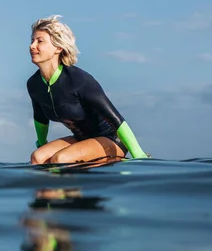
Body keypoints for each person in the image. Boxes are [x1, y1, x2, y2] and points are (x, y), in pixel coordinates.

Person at [26, 15, 149, 164]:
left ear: (58, 47)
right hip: (82, 139)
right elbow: (40, 118)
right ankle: (50, 188)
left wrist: (139, 155)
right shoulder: (34, 84)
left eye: (40, 41)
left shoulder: (79, 80)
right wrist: (42, 143)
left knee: (61, 159)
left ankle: (72, 184)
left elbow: (116, 119)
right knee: (37, 157)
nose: (32, 46)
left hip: (112, 140)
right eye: (32, 40)